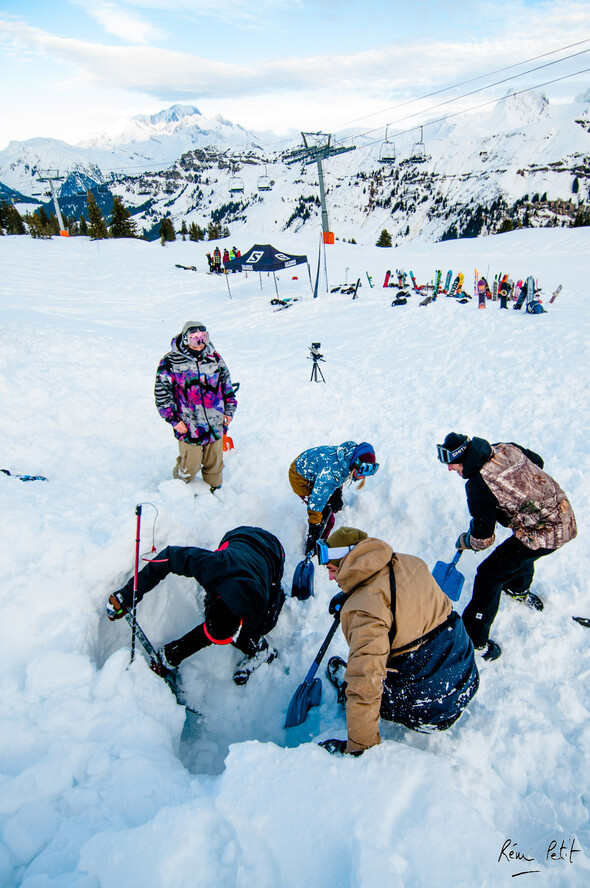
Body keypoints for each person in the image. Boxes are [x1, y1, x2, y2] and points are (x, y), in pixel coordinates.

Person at [317, 526, 479, 755]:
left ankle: (350, 697)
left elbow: (366, 681)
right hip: (464, 672)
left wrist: (359, 748)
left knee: (362, 681)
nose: (331, 577)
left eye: (332, 569)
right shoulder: (412, 562)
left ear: (347, 560)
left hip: (430, 707)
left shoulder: (365, 611)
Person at [436, 433, 577, 661]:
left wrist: (466, 540)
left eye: (452, 463)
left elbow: (484, 539)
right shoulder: (503, 447)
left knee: (489, 576)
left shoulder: (479, 485)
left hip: (545, 532)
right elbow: (537, 461)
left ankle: (475, 640)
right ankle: (517, 588)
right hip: (562, 512)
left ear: (464, 459)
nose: (450, 469)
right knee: (517, 553)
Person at [106, 526, 285, 685]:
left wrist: (170, 656)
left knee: (261, 627)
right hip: (238, 536)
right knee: (224, 622)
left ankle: (263, 652)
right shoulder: (213, 566)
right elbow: (168, 557)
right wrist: (128, 594)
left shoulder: (257, 610)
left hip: (274, 553)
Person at [155, 321, 237, 490]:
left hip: (215, 424)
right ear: (185, 339)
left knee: (214, 466)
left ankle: (215, 491)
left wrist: (229, 411)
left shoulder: (214, 357)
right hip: (189, 426)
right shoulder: (170, 361)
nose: (200, 343)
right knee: (189, 467)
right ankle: (178, 490)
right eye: (194, 338)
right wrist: (173, 420)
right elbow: (162, 393)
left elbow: (226, 385)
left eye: (203, 337)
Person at [289, 442, 379, 554]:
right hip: (300, 477)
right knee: (328, 520)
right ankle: (318, 547)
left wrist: (337, 493)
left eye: (370, 470)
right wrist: (315, 529)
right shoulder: (331, 473)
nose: (363, 476)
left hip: (315, 468)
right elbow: (316, 503)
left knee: (331, 498)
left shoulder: (348, 458)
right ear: (356, 462)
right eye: (363, 469)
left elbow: (339, 475)